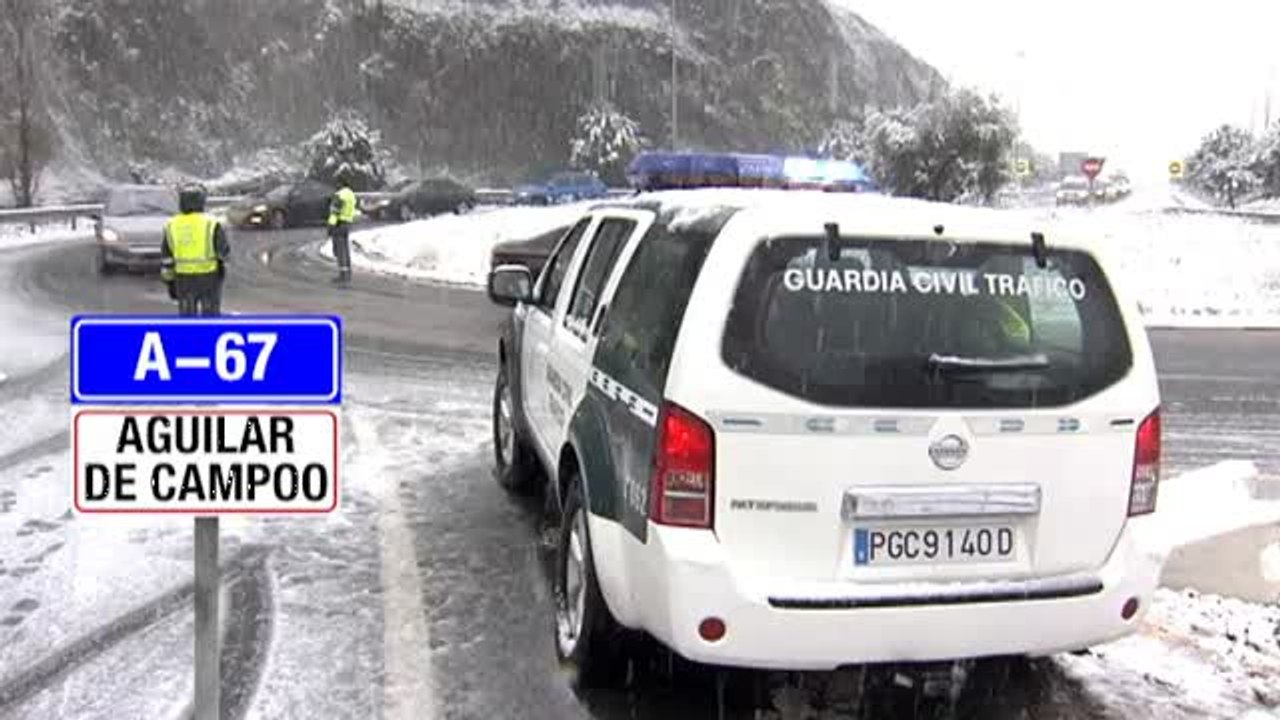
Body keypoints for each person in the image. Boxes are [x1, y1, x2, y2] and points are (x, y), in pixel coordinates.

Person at [161, 184, 229, 317]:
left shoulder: (172, 224)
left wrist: (169, 282)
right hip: (209, 276)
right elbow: (223, 251)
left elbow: (167, 257)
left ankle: (190, 336)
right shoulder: (211, 223)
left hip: (183, 279)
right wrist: (221, 268)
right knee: (210, 313)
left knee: (187, 314)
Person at [327, 172, 359, 284]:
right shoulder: (351, 194)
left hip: (338, 224)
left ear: (340, 183)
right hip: (347, 223)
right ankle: (348, 271)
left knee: (339, 250)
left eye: (336, 183)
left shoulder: (340, 195)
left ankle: (343, 274)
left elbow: (335, 211)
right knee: (345, 248)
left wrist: (331, 225)